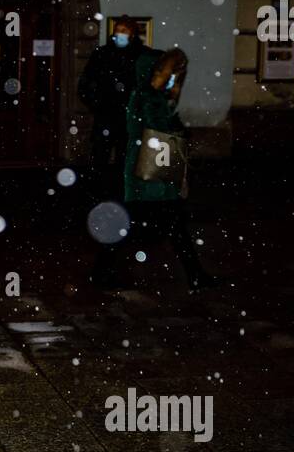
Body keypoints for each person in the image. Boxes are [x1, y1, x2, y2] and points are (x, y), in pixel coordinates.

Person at [118, 47, 216, 291]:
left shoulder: (153, 97)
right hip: (149, 173)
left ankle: (195, 274)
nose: (171, 77)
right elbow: (161, 128)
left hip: (156, 173)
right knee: (149, 225)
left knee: (166, 225)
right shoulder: (146, 97)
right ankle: (195, 275)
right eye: (168, 72)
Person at [78, 17, 147, 191]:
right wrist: (97, 103)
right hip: (106, 114)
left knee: (126, 157)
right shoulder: (102, 54)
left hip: (129, 116)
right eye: (118, 30)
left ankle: (123, 189)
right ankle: (96, 190)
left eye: (124, 31)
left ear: (132, 34)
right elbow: (86, 83)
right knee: (100, 155)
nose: (120, 34)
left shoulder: (140, 56)